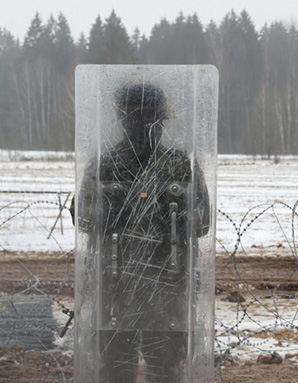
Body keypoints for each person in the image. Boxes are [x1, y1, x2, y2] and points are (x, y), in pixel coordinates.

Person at [73, 82, 210, 382]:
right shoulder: (106, 166)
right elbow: (84, 220)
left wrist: (177, 216)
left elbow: (201, 223)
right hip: (121, 288)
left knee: (161, 372)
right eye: (141, 120)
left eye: (152, 120)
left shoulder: (178, 166)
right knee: (122, 370)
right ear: (125, 121)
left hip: (161, 289)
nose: (147, 127)